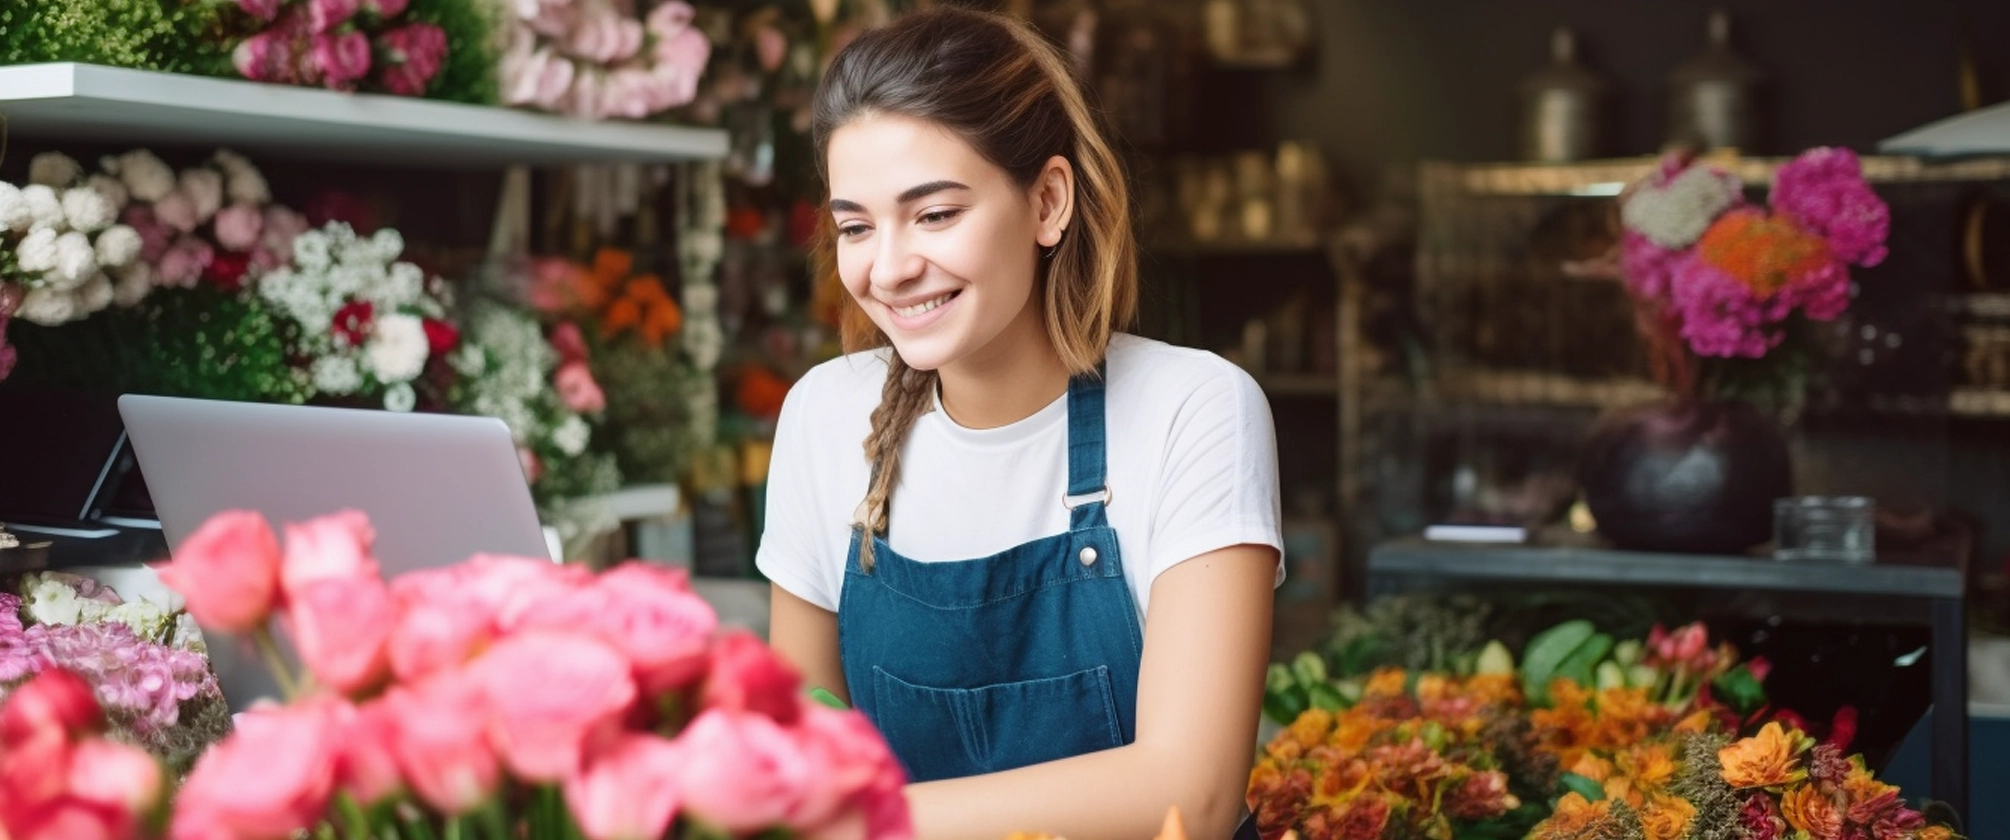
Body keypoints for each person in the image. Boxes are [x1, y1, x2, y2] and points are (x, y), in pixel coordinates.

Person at [756, 7, 1283, 840]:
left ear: (1047, 201)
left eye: (935, 215)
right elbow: (797, 760)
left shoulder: (1194, 409)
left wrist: (870, 820)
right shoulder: (824, 416)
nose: (887, 268)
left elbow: (1195, 795)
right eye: (856, 226)